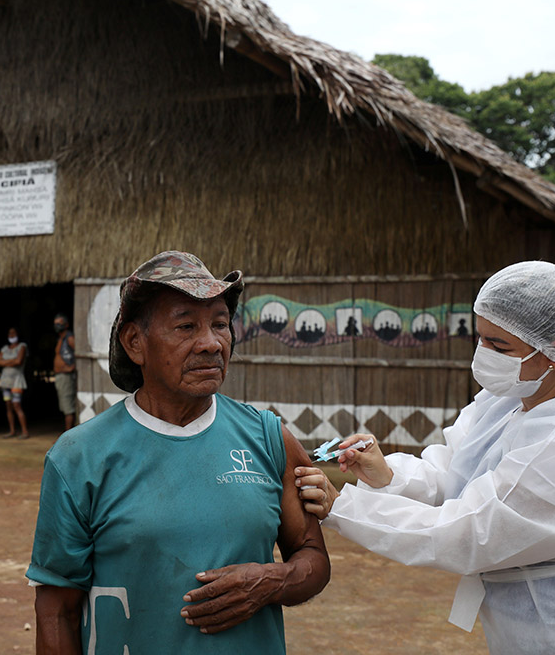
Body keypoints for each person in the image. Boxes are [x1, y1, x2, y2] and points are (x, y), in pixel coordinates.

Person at [296, 261, 555, 654]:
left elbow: (468, 533)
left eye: (499, 346)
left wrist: (343, 507)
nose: (484, 354)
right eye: (480, 338)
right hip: (530, 627)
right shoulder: (512, 396)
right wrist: (388, 475)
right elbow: (455, 473)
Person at [27, 251, 330, 654]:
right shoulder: (79, 457)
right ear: (135, 342)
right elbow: (56, 611)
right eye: (186, 326)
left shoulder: (269, 438)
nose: (210, 343)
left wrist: (272, 581)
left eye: (220, 324)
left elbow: (312, 557)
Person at [0, 327, 28, 439]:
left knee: (17, 405)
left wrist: (5, 362)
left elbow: (19, 361)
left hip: (17, 381)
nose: (11, 335)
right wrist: (12, 361)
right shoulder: (5, 348)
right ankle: (12, 430)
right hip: (5, 382)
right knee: (8, 406)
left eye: (14, 333)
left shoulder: (22, 346)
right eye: (10, 333)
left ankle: (24, 431)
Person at [52, 313, 77, 431]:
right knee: (64, 405)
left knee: (68, 407)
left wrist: (72, 367)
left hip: (66, 377)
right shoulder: (61, 338)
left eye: (60, 323)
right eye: (55, 323)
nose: (57, 325)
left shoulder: (69, 338)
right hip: (60, 376)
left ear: (66, 325)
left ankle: (67, 436)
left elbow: (79, 353)